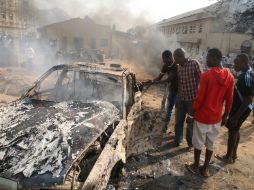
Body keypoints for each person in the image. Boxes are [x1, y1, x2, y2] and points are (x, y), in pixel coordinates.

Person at [185, 48, 234, 177]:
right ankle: (205, 169)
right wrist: (226, 115)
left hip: (202, 117)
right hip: (216, 118)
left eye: (208, 57)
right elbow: (230, 98)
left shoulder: (206, 76)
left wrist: (191, 115)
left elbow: (199, 98)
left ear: (216, 59)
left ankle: (195, 166)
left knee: (198, 142)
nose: (206, 60)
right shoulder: (229, 76)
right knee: (210, 143)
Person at [215, 53, 254, 163]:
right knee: (235, 130)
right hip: (239, 106)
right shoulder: (246, 73)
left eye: (237, 63)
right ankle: (233, 155)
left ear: (243, 63)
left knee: (233, 130)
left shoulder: (245, 77)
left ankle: (228, 157)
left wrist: (236, 116)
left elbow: (247, 99)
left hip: (241, 108)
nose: (234, 65)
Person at [143, 50, 178, 133]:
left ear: (169, 57)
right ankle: (165, 128)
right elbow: (159, 77)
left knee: (177, 112)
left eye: (164, 59)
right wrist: (151, 81)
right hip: (171, 89)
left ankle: (176, 131)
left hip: (179, 92)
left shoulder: (175, 66)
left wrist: (155, 83)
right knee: (168, 110)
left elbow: (168, 79)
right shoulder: (166, 65)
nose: (163, 61)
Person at [173, 48, 201, 147]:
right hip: (181, 98)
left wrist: (199, 98)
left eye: (175, 57)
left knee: (191, 123)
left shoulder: (194, 64)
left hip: (192, 99)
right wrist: (177, 98)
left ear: (181, 56)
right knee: (178, 121)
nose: (174, 60)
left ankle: (190, 142)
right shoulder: (178, 67)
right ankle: (177, 139)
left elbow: (200, 80)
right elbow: (180, 83)